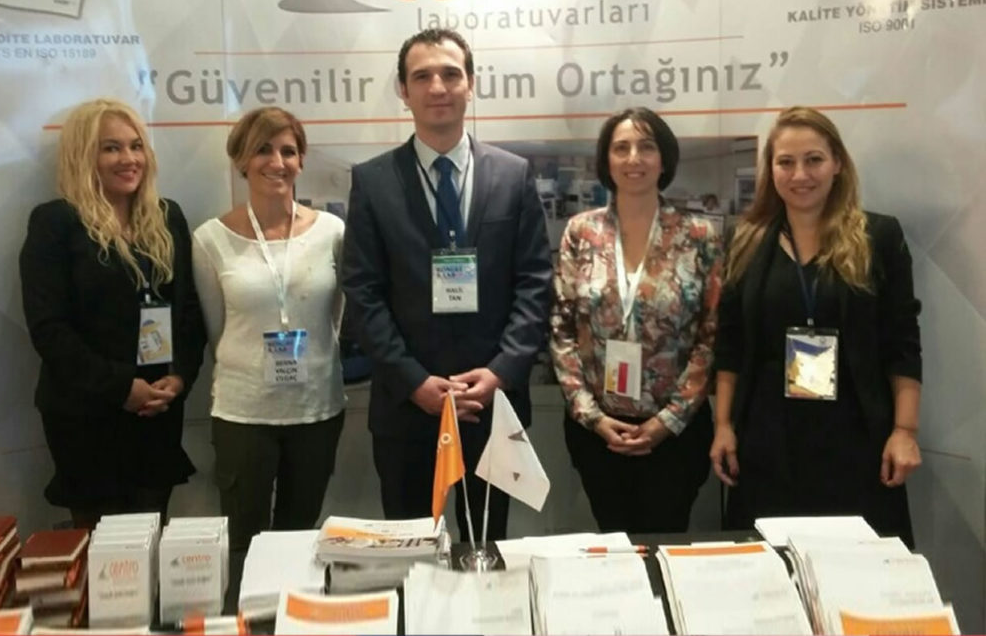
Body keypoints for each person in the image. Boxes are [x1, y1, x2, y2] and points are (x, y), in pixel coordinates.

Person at [341, 28, 552, 541]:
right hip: (408, 407)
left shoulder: (513, 175)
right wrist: (414, 382)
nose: (437, 86)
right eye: (422, 76)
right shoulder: (372, 181)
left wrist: (500, 372)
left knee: (487, 547)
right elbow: (363, 292)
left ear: (470, 84)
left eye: (450, 74)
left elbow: (535, 283)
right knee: (412, 548)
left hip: (490, 403)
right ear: (403, 90)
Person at [709, 106, 922, 546]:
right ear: (771, 169)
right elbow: (730, 345)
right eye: (786, 162)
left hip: (855, 437)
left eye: (814, 160)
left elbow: (902, 343)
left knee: (856, 568)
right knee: (769, 566)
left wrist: (904, 432)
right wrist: (724, 425)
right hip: (765, 439)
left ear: (837, 163)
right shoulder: (746, 240)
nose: (800, 174)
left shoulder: (878, 237)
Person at [19, 98, 205, 529]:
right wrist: (121, 387)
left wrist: (180, 377)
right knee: (103, 550)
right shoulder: (56, 223)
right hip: (86, 414)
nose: (129, 158)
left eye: (136, 146)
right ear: (84, 156)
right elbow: (49, 328)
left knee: (152, 537)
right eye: (111, 148)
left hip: (157, 409)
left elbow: (190, 311)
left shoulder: (167, 217)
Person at [551, 107, 722, 533]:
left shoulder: (699, 236)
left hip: (674, 434)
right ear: (606, 161)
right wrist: (591, 415)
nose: (634, 158)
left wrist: (668, 421)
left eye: (647, 147)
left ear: (664, 160)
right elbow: (561, 328)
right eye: (621, 148)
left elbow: (711, 335)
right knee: (613, 541)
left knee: (666, 540)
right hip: (598, 430)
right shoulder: (581, 232)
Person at [192, 106, 345, 552]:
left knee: (300, 537)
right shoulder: (211, 239)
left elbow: (335, 315)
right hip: (244, 414)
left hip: (316, 410)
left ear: (301, 161)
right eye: (263, 149)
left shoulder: (332, 231)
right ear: (241, 159)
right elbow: (216, 328)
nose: (277, 162)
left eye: (288, 151)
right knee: (246, 540)